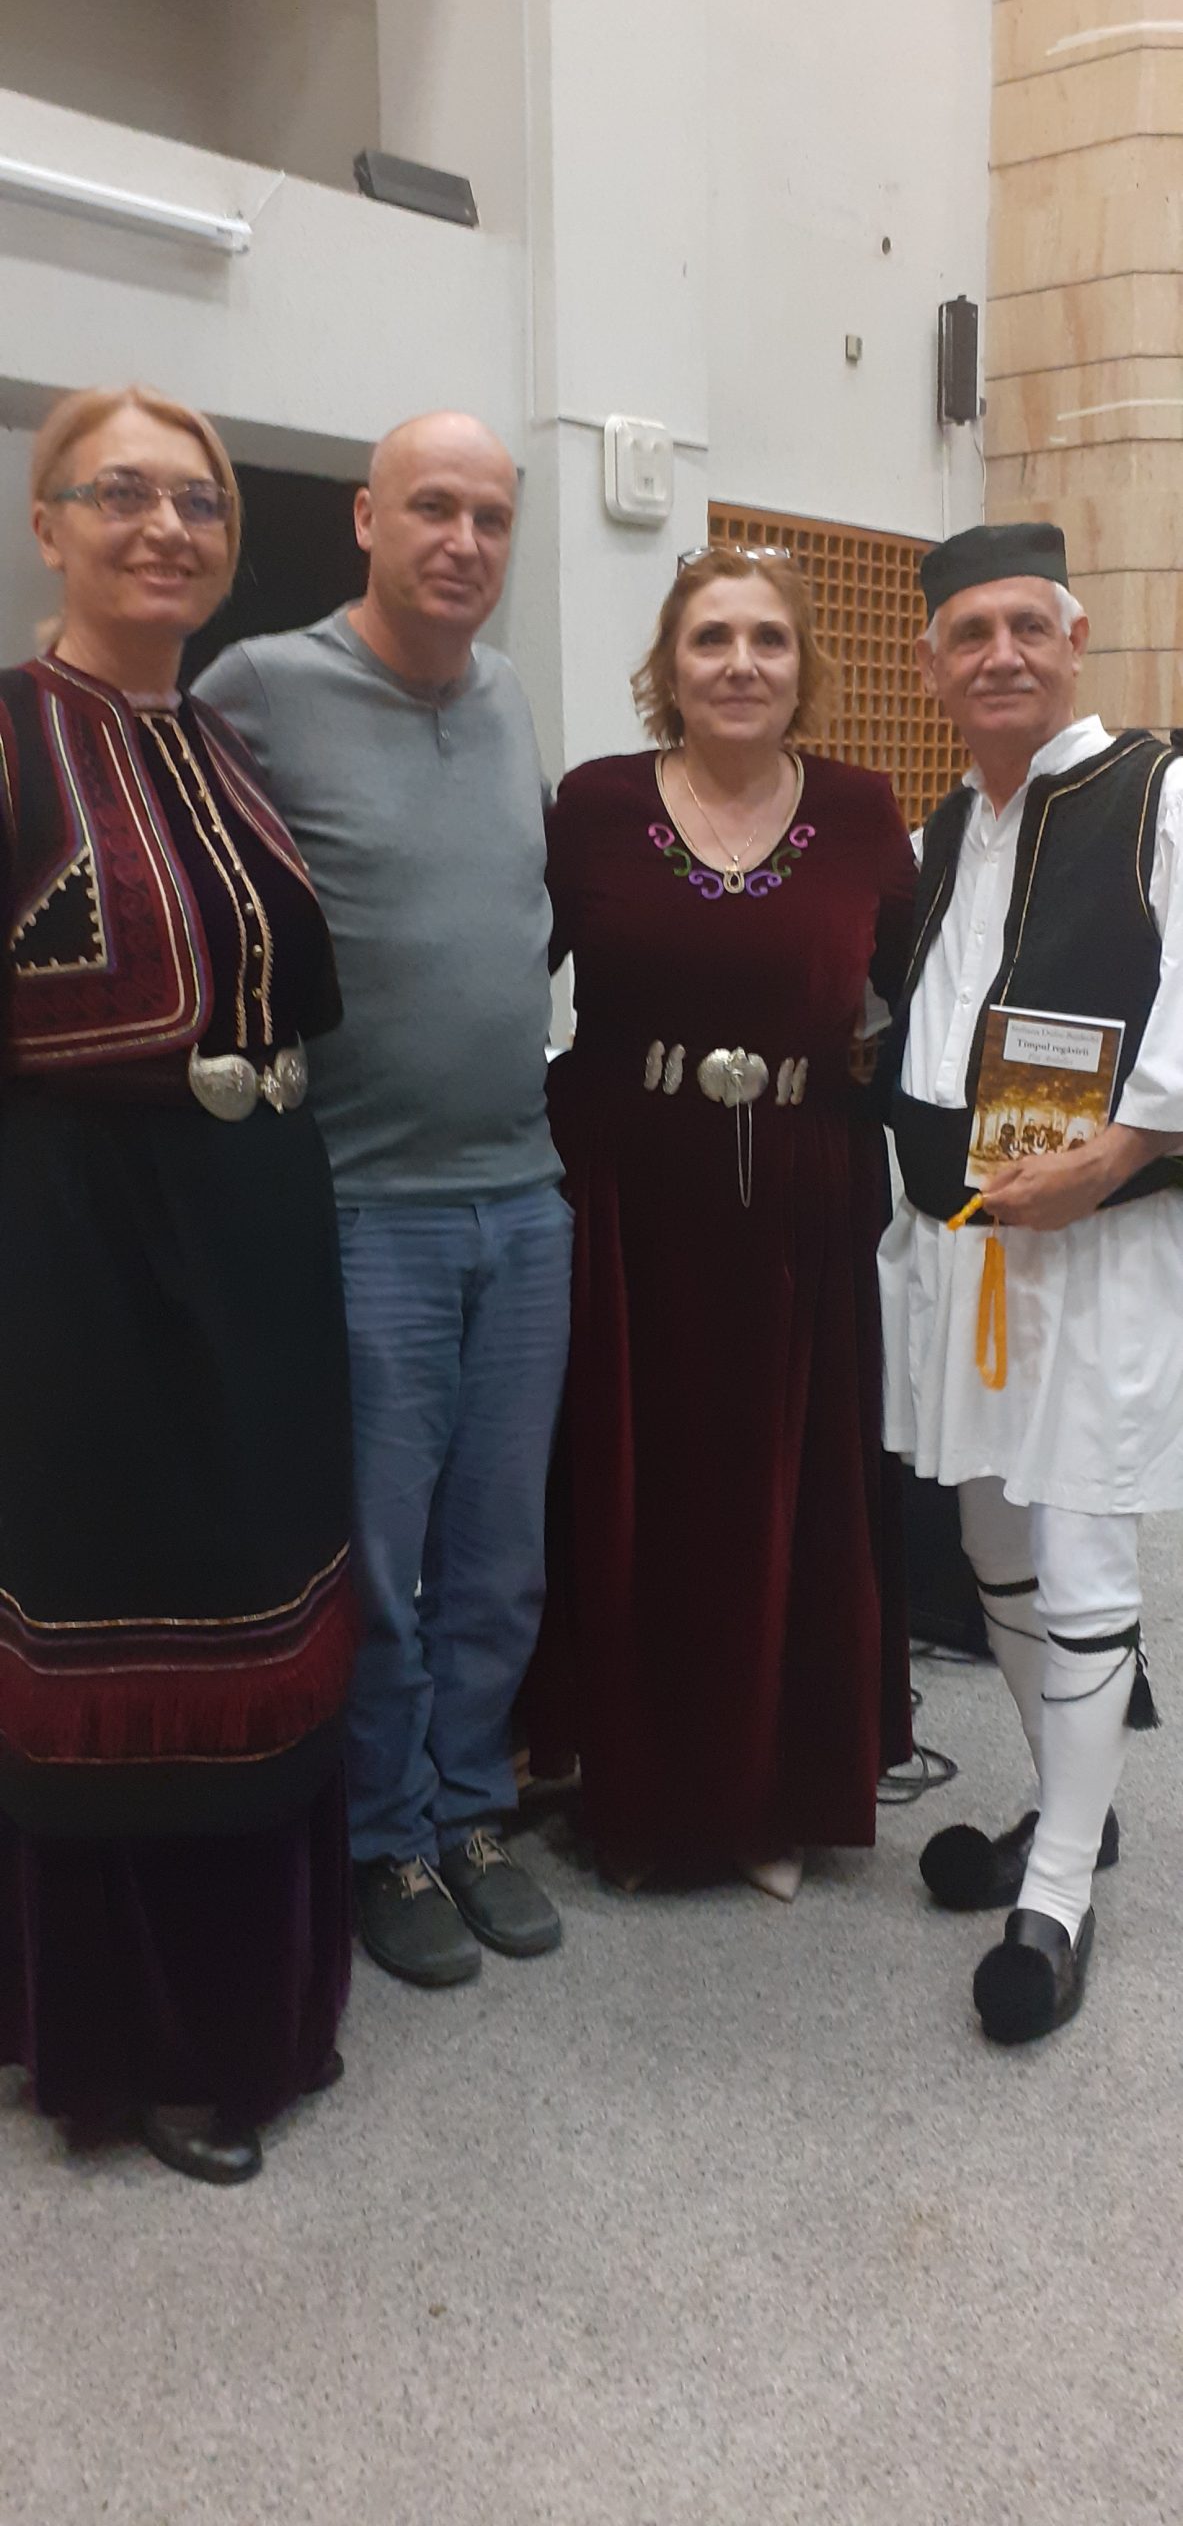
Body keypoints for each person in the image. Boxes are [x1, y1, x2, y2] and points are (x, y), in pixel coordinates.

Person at [0, 385, 355, 2183]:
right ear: (46, 524)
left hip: (261, 1222)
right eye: (120, 493)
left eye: (199, 501)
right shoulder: (9, 735)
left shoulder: (222, 741)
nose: (165, 527)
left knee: (269, 1596)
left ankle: (264, 1995)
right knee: (123, 1619)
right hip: (81, 1250)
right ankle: (131, 2037)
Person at [195, 414, 568, 1989]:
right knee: (383, 1567)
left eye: (492, 516)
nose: (464, 542)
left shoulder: (510, 698)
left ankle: (472, 1810)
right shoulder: (260, 686)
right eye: (433, 508)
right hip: (367, 1207)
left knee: (499, 1557)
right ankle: (382, 1836)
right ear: (366, 517)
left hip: (526, 1200)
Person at [531, 546, 917, 1893]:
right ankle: (642, 1798)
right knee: (636, 1490)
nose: (741, 664)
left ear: (804, 666)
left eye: (768, 639)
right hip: (625, 1196)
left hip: (802, 1197)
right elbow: (502, 968)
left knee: (784, 1494)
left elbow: (918, 995)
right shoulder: (595, 804)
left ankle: (769, 1798)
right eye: (711, 639)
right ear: (668, 665)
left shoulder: (863, 812)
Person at [878, 519, 1183, 2044]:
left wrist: (1119, 1154)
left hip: (1093, 1247)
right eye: (968, 634)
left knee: (1078, 1547)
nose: (999, 655)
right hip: (959, 1242)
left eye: (1024, 627)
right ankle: (1074, 1808)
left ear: (1074, 638)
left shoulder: (1159, 792)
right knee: (993, 1537)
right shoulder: (947, 827)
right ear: (934, 666)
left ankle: (1055, 1891)